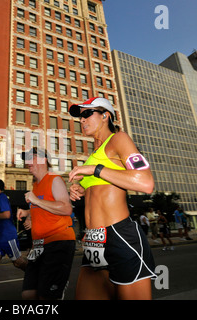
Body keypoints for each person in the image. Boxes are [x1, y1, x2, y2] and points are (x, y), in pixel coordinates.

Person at [68, 97, 156, 300]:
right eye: (80, 116)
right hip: (93, 239)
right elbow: (102, 186)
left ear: (105, 116)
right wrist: (80, 189)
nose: (81, 120)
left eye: (87, 114)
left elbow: (146, 182)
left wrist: (96, 169)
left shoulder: (119, 139)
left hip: (120, 235)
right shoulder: (93, 155)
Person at [17, 147, 76, 300]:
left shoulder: (54, 179)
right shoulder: (36, 185)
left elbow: (66, 208)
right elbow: (44, 206)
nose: (27, 162)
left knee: (47, 297)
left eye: (32, 158)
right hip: (38, 245)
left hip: (57, 242)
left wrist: (35, 200)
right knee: (28, 294)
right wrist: (27, 212)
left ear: (43, 160)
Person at [0, 178, 27, 299]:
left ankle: (35, 275)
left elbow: (7, 214)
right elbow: (2, 216)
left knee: (18, 263)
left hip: (8, 237)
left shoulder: (1, 197)